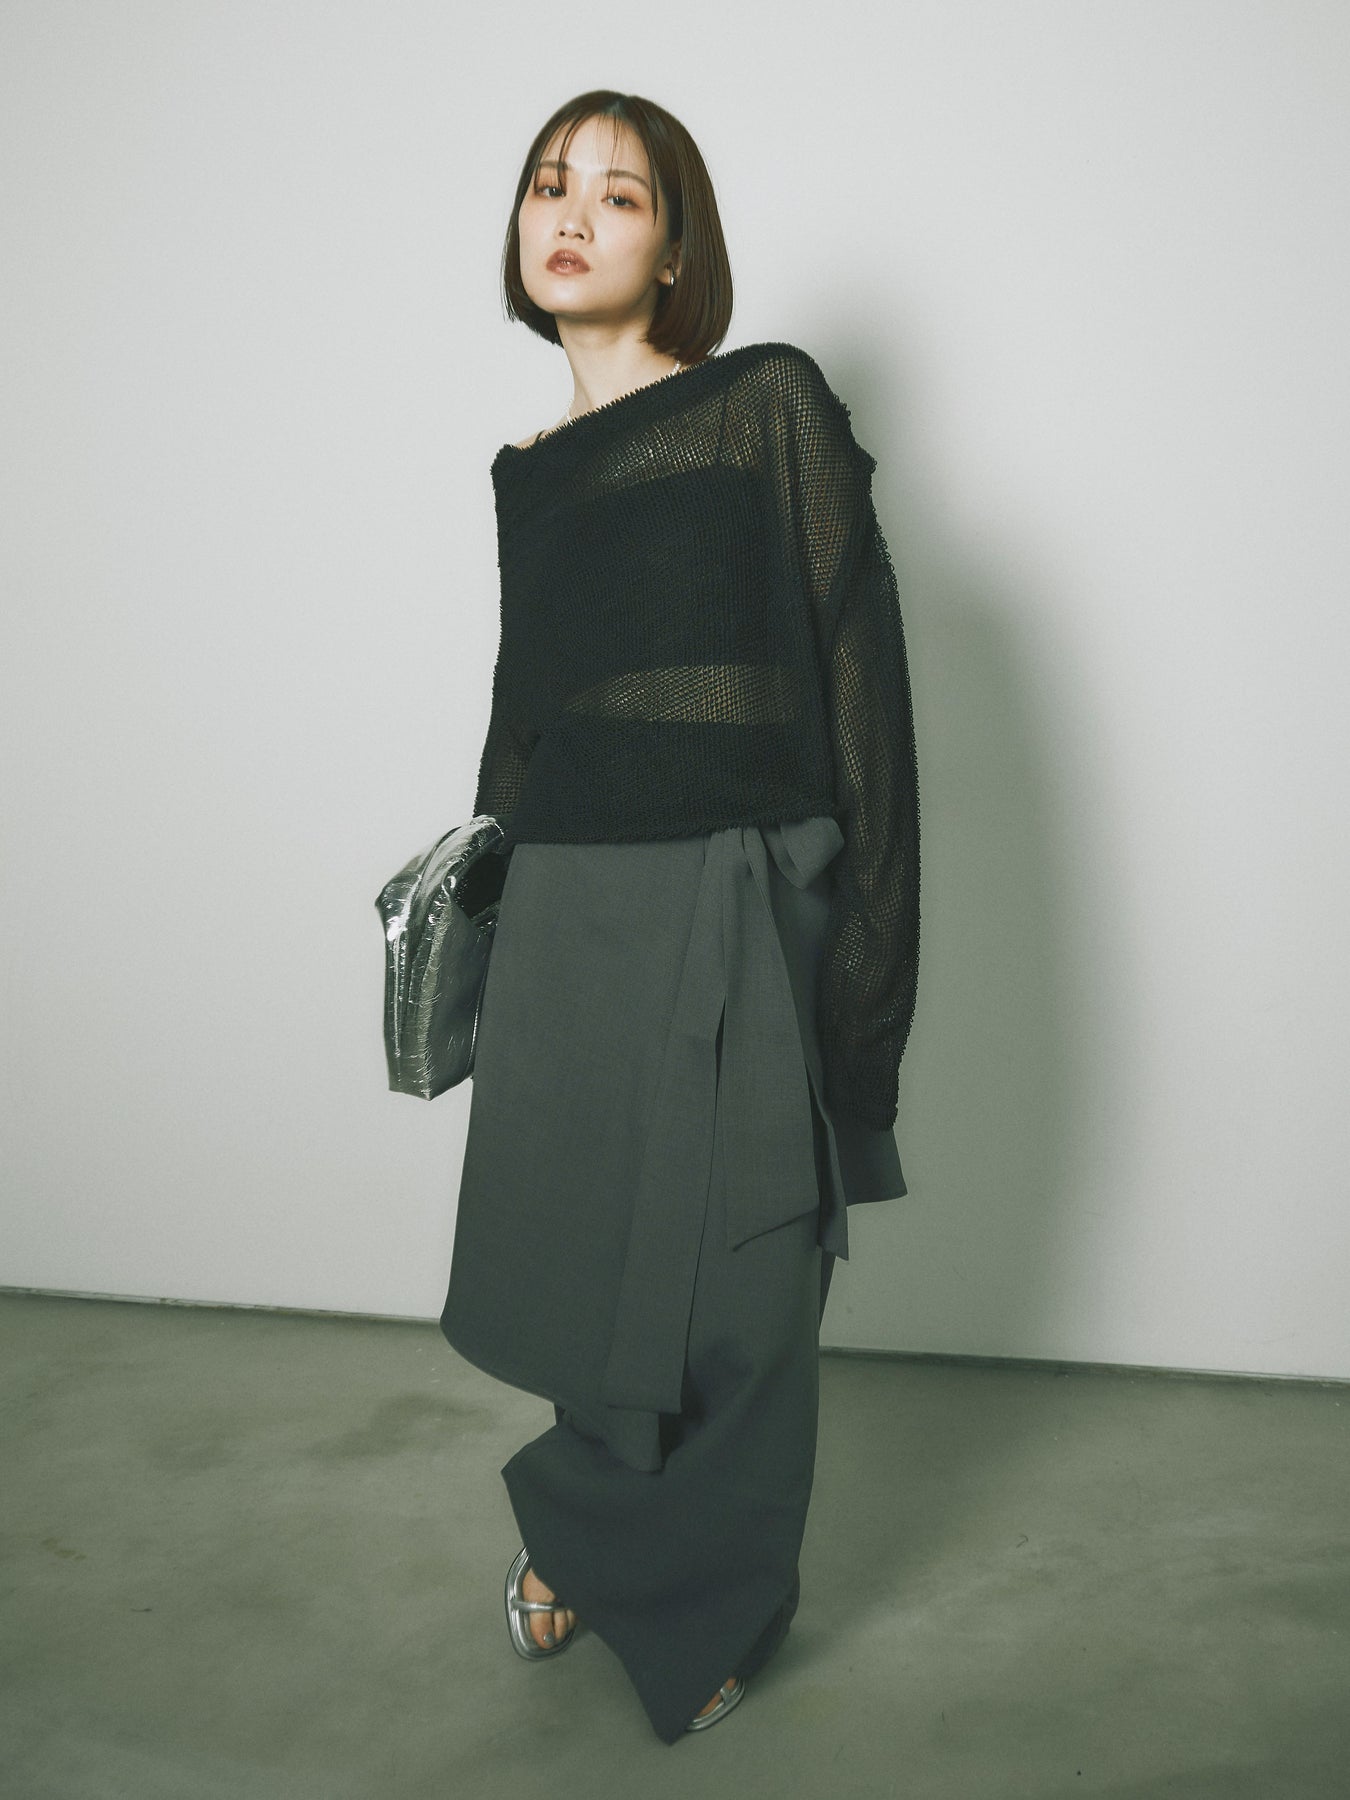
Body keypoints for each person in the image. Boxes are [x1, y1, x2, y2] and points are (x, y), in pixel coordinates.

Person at [438, 87, 920, 1745]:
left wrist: (864, 933)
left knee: (741, 1285)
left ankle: (703, 1588)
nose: (571, 214)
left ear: (672, 248)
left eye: (619, 193)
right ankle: (590, 1528)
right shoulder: (526, 473)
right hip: (571, 899)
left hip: (732, 887)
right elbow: (527, 713)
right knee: (589, 1256)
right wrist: (477, 900)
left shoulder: (762, 404)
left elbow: (858, 673)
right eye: (547, 185)